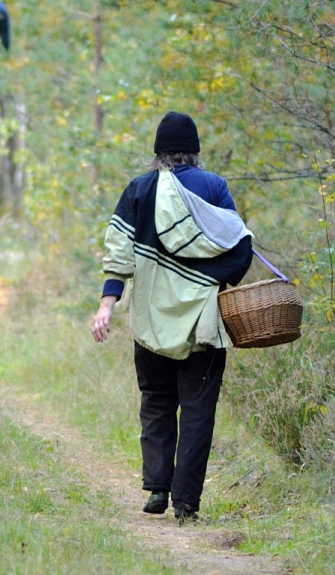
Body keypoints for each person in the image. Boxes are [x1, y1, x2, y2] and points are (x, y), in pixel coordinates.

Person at [91, 111, 253, 524]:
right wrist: (213, 280)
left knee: (157, 403)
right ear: (194, 152)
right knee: (198, 411)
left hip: (149, 322)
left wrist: (107, 305)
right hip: (202, 323)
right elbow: (239, 250)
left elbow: (118, 255)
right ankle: (185, 503)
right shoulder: (213, 187)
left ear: (158, 152)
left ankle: (158, 489)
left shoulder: (140, 189)